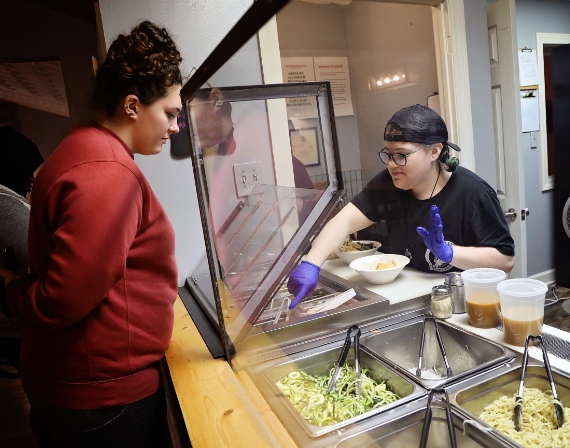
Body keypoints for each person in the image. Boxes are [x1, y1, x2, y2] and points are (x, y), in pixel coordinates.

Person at [0, 21, 181, 447]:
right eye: (170, 113)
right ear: (133, 105)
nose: (175, 127)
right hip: (101, 397)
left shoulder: (87, 145)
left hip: (81, 385)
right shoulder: (108, 173)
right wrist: (10, 290)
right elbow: (63, 297)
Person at [287, 104, 515, 308]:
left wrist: (449, 253)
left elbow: (505, 260)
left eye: (402, 155)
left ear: (434, 151)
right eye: (388, 154)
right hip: (410, 299)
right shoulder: (387, 184)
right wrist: (311, 264)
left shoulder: (472, 192)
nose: (391, 164)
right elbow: (343, 221)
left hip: (462, 304)